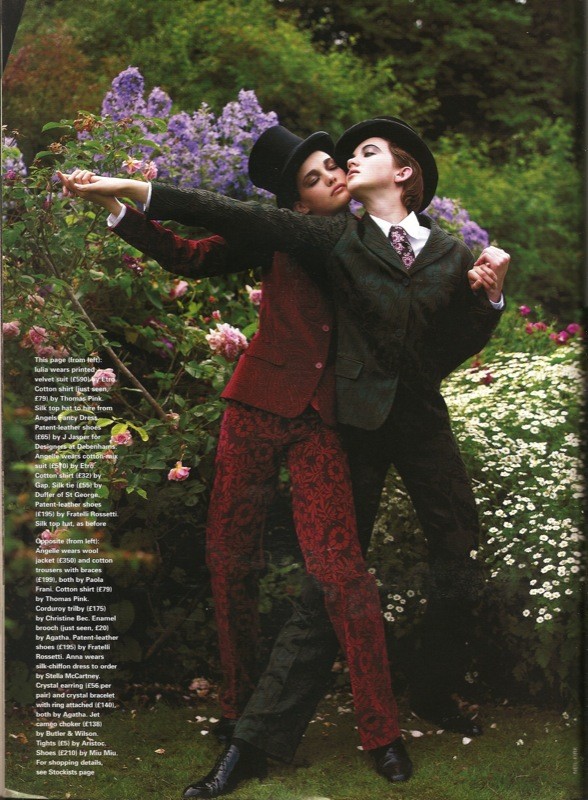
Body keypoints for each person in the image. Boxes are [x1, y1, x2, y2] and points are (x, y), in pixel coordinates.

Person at [59, 116, 509, 798]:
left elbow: (440, 344)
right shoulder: (331, 236)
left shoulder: (445, 251)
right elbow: (214, 229)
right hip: (328, 418)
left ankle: (428, 692)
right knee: (302, 573)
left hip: (393, 420)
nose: (340, 171)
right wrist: (125, 193)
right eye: (321, 172)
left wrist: (490, 297)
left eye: (350, 159)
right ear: (297, 200)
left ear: (404, 172)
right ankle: (255, 729)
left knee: (439, 553)